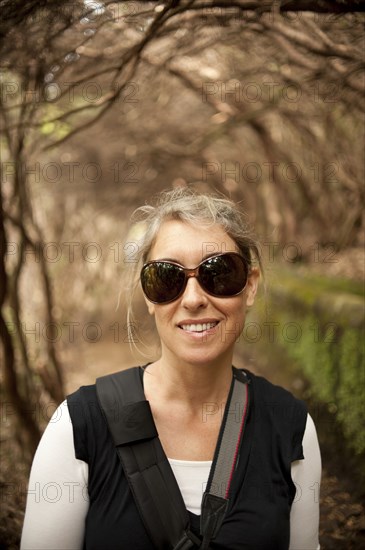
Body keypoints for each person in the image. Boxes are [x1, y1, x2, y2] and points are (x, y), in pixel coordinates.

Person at [21, 187, 321, 549]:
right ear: (149, 296)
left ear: (250, 285)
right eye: (167, 278)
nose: (193, 299)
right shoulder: (77, 425)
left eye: (219, 273)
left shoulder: (289, 427)